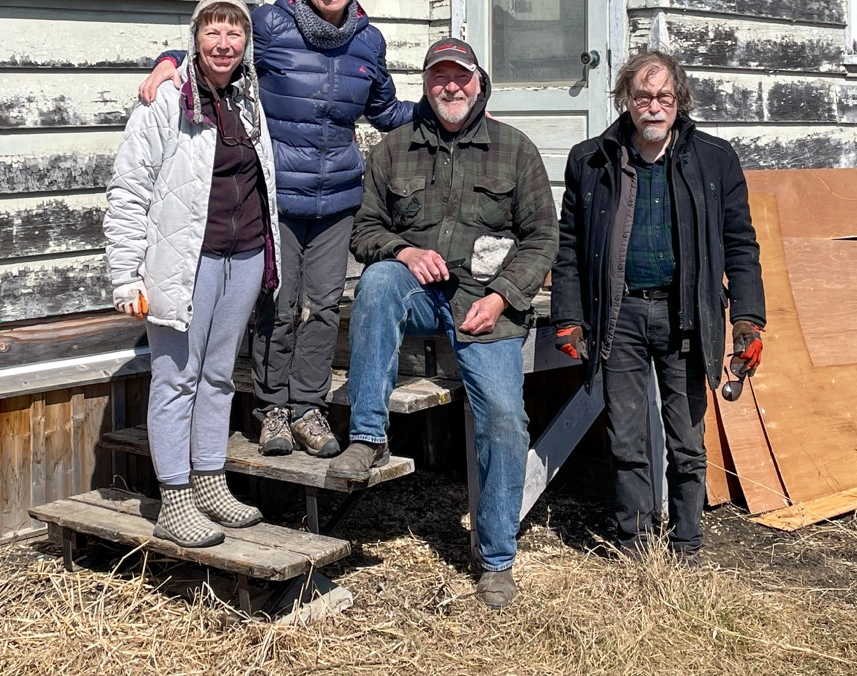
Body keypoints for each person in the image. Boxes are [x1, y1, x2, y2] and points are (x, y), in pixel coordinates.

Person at [138, 0, 414, 459]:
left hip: (337, 199)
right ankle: (274, 410)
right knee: (280, 304)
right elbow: (218, 50)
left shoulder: (368, 41)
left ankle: (310, 406)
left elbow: (384, 111)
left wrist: (446, 110)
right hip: (276, 194)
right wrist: (168, 60)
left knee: (325, 305)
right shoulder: (269, 24)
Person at [327, 37, 557, 609]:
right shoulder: (393, 149)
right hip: (422, 293)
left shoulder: (515, 148)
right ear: (426, 86)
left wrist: (505, 296)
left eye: (459, 77)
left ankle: (497, 560)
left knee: (504, 418)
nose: (449, 87)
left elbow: (542, 238)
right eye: (438, 78)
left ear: (478, 82)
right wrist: (402, 251)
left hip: (485, 304)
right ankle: (368, 436)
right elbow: (364, 230)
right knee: (379, 281)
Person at [551, 51, 766, 562]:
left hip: (685, 314)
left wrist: (748, 321)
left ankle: (687, 546)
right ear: (626, 99)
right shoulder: (590, 159)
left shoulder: (714, 159)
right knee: (626, 438)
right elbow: (569, 246)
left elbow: (740, 244)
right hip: (618, 316)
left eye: (664, 97)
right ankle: (634, 546)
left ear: (679, 102)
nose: (653, 107)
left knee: (687, 439)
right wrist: (568, 316)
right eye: (643, 96)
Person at [105, 0, 281, 548]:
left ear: (246, 41)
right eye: (213, 30)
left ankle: (210, 480)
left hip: (245, 256)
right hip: (185, 261)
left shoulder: (250, 98)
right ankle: (175, 497)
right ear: (194, 37)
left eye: (235, 31)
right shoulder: (165, 101)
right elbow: (129, 190)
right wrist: (124, 275)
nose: (224, 42)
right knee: (176, 377)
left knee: (220, 376)